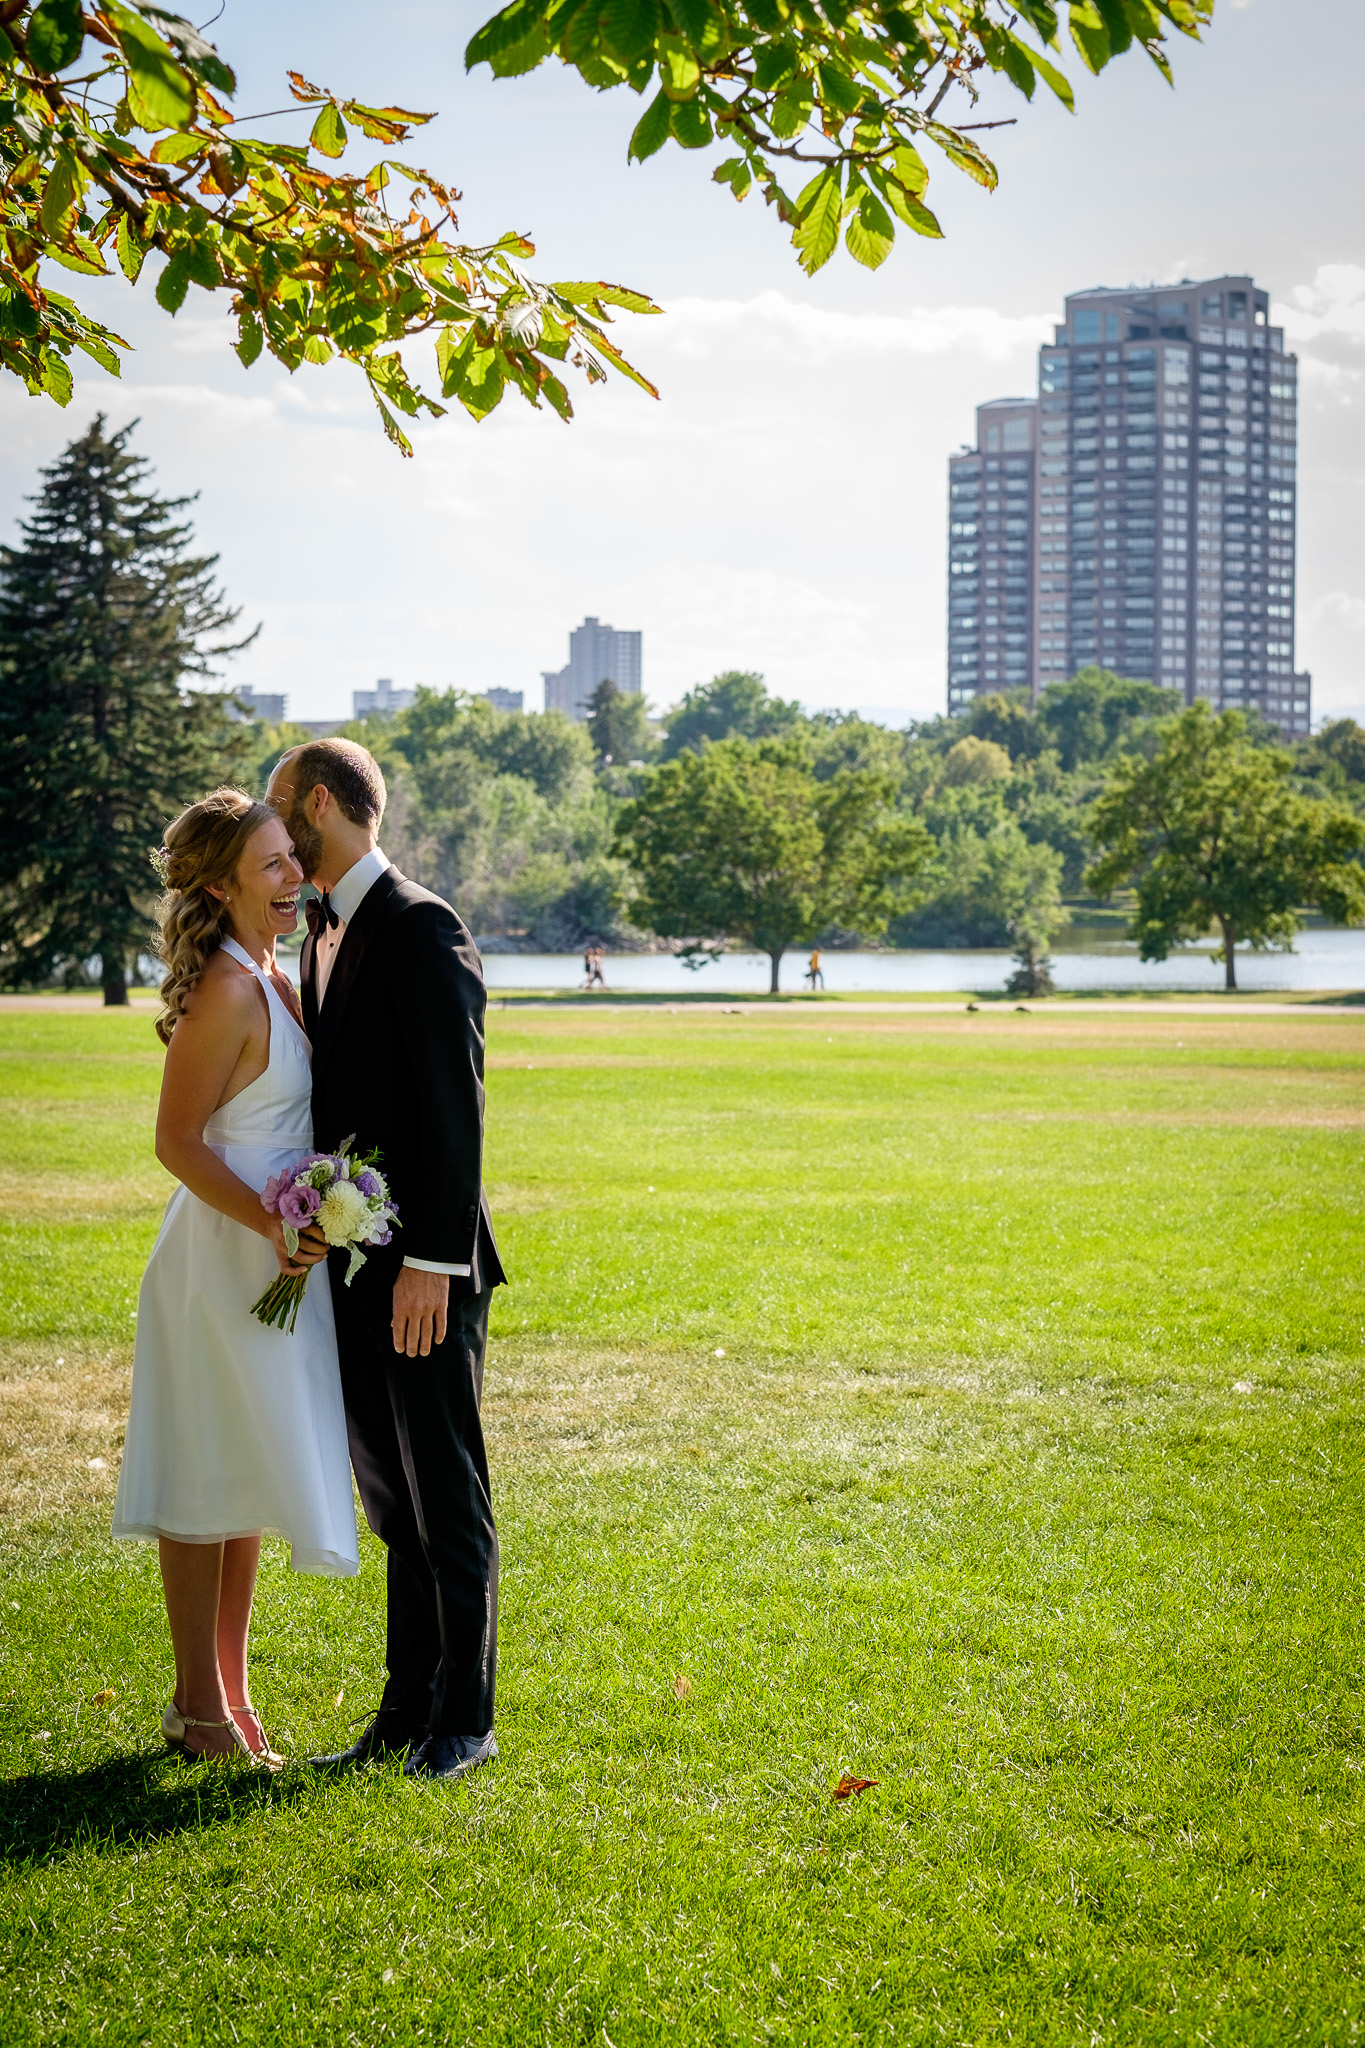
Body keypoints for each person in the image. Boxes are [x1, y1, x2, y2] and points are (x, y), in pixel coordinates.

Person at [266, 738, 506, 1784]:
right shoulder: (321, 932)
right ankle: (402, 1710)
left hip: (423, 1272)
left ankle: (468, 1716)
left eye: (285, 812)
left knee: (445, 1491)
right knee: (391, 1498)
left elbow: (456, 1108)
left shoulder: (421, 924)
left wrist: (434, 1263)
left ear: (321, 801)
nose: (277, 835)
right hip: (352, 1267)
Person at [112, 789, 358, 1765]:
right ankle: (198, 1708)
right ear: (220, 884)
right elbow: (176, 1140)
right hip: (222, 1259)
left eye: (292, 859)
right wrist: (273, 1216)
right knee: (206, 1471)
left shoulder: (266, 972)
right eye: (271, 864)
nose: (294, 876)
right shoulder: (225, 985)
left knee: (245, 1475)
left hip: (273, 1256)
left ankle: (227, 1697)